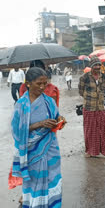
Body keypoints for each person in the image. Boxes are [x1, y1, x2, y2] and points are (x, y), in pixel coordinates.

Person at [10, 67, 65, 207]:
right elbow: (17, 131)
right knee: (34, 182)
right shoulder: (21, 105)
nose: (42, 87)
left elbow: (55, 117)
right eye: (38, 84)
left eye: (45, 83)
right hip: (31, 152)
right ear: (28, 83)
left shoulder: (49, 101)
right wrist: (39, 124)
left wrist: (59, 121)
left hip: (50, 149)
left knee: (52, 179)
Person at [78, 56, 105, 159]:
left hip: (100, 107)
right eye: (95, 65)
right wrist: (89, 97)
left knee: (103, 130)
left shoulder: (103, 77)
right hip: (89, 107)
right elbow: (81, 91)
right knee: (90, 130)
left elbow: (102, 89)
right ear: (91, 66)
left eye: (99, 65)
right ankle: (90, 151)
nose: (97, 67)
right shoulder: (84, 77)